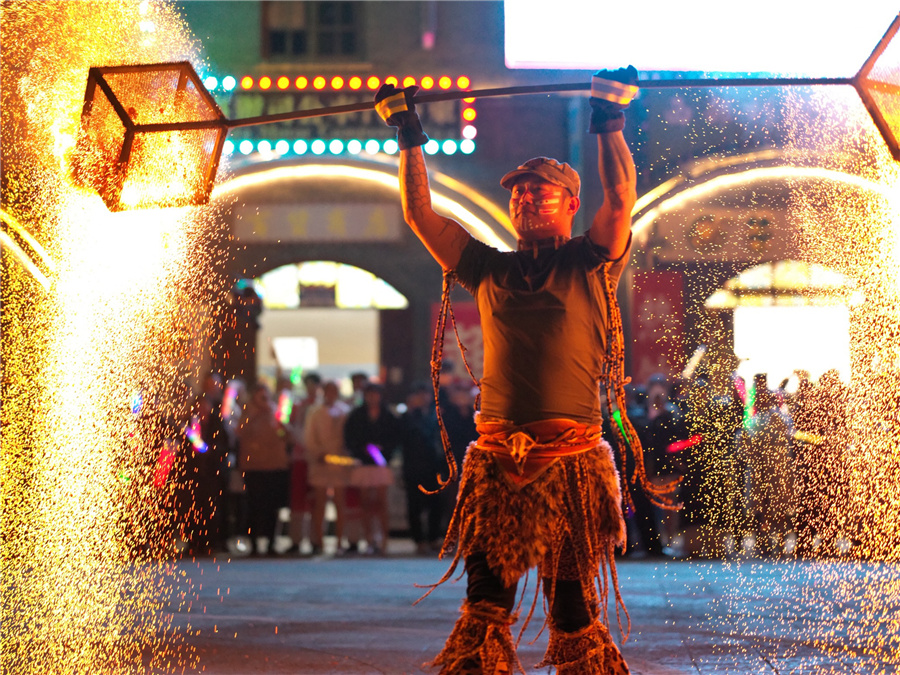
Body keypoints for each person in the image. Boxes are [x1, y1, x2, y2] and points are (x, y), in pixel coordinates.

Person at [375, 67, 671, 674]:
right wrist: (408, 135)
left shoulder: (592, 259)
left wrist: (607, 116)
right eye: (518, 191)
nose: (525, 198)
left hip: (571, 464)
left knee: (572, 611)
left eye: (541, 190)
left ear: (570, 203)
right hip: (497, 464)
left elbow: (621, 199)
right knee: (485, 607)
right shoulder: (487, 266)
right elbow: (420, 215)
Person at [343, 382, 402, 555]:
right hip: (363, 464)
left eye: (375, 394)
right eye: (369, 394)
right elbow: (350, 438)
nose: (373, 397)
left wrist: (384, 451)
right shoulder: (356, 415)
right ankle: (369, 538)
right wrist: (362, 450)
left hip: (381, 464)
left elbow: (395, 438)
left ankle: (384, 539)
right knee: (366, 503)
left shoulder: (388, 416)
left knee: (381, 502)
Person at [236, 382, 293, 556]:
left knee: (272, 506)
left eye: (266, 395)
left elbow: (286, 435)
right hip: (253, 466)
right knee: (254, 505)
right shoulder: (247, 412)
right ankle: (252, 542)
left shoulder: (276, 412)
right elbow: (239, 432)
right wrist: (254, 415)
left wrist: (278, 420)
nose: (264, 399)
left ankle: (270, 542)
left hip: (275, 465)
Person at [304, 379, 353, 555]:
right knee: (320, 504)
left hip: (338, 463)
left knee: (340, 504)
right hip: (321, 462)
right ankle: (319, 541)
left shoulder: (345, 412)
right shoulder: (315, 412)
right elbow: (309, 436)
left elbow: (348, 437)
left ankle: (339, 542)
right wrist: (318, 454)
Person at [398, 381, 445, 554]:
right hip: (413, 466)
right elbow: (403, 436)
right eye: (420, 394)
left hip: (434, 466)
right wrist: (410, 413)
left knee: (435, 504)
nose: (423, 398)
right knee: (414, 505)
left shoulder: (437, 414)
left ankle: (433, 538)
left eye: (426, 394)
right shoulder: (408, 416)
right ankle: (419, 540)